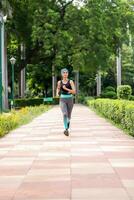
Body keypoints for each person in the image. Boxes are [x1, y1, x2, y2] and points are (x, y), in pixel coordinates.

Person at [56, 68, 76, 136]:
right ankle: (66, 129)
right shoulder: (59, 82)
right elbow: (58, 89)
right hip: (62, 99)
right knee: (65, 114)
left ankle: (67, 128)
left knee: (69, 115)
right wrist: (57, 93)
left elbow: (74, 92)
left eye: (66, 73)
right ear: (61, 74)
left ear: (68, 74)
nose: (65, 74)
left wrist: (66, 89)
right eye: (63, 73)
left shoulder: (70, 82)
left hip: (70, 99)